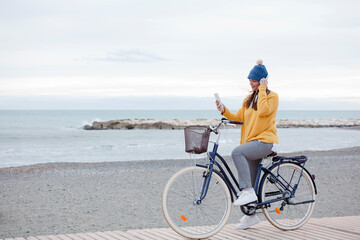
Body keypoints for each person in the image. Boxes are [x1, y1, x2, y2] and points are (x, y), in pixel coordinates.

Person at [215, 59, 279, 230]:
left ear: (262, 80)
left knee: (237, 153)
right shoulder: (248, 99)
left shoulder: (272, 96)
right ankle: (250, 217)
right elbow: (239, 118)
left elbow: (265, 110)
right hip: (252, 143)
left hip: (265, 141)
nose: (251, 83)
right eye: (250, 80)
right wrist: (223, 110)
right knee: (250, 181)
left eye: (254, 80)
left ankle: (248, 192)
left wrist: (263, 88)